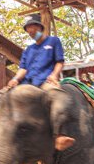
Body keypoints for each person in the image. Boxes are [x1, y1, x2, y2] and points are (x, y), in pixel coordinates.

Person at [6, 14, 75, 151]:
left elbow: (60, 62)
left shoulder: (53, 42)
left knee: (60, 97)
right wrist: (15, 79)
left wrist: (54, 76)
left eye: (32, 28)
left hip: (45, 81)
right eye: (28, 30)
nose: (30, 32)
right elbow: (23, 68)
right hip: (28, 84)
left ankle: (59, 135)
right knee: (5, 97)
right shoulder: (28, 50)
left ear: (39, 27)